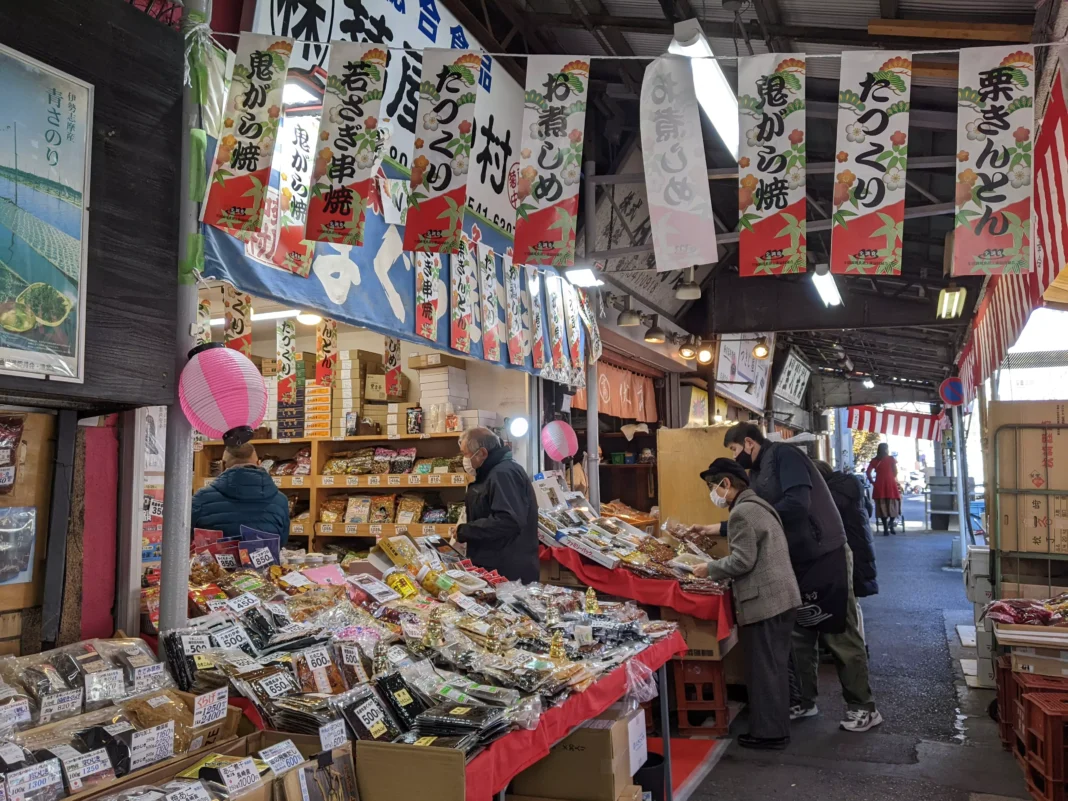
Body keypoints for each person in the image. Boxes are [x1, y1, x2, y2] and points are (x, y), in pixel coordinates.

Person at [711, 423, 881, 732]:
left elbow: (795, 504)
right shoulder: (759, 473)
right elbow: (758, 519)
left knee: (839, 633)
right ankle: (805, 700)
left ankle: (863, 706)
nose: (736, 458)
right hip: (798, 559)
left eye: (735, 450)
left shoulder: (784, 455)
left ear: (748, 442)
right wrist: (715, 528)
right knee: (801, 634)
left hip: (825, 554)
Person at [691, 458, 801, 750]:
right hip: (782, 597)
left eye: (713, 486)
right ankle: (776, 725)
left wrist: (708, 569)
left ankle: (769, 734)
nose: (712, 493)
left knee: (763, 669)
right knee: (774, 666)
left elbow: (742, 559)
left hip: (765, 601)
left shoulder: (742, 513)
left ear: (726, 484)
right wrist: (710, 531)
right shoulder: (757, 505)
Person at [454, 426, 539, 583]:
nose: (464, 460)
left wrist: (466, 531)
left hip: (507, 572)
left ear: (483, 453)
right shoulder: (496, 472)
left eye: (465, 454)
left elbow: (508, 520)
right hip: (499, 565)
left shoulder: (503, 474)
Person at [191, 443, 290, 543]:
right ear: (259, 463)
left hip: (216, 558)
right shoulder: (281, 501)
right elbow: (281, 541)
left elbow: (186, 539)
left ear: (223, 465)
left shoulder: (201, 498)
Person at [815, 460, 879, 599]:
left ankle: (853, 620)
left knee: (848, 599)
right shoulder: (849, 485)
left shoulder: (831, 494)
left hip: (849, 546)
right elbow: (868, 510)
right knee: (852, 595)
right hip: (860, 542)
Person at [866, 443, 902, 536]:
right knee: (893, 505)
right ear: (886, 449)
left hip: (879, 484)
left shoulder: (875, 460)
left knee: (882, 507)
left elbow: (868, 472)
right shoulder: (891, 459)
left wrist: (872, 482)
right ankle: (891, 525)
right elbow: (895, 471)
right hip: (890, 484)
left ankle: (886, 529)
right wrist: (891, 477)